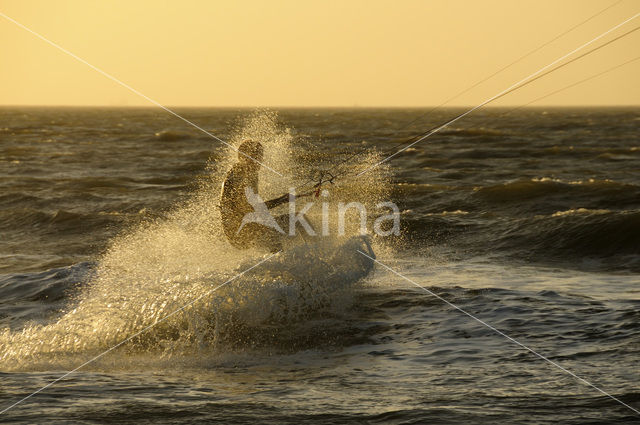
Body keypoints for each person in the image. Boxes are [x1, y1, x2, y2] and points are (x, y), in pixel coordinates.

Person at [219, 140, 296, 252]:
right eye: (256, 156)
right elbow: (250, 209)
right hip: (240, 234)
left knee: (291, 229)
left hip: (244, 229)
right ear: (244, 157)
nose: (260, 160)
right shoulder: (239, 175)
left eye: (261, 155)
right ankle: (314, 258)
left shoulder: (249, 173)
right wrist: (282, 199)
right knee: (297, 220)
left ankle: (302, 259)